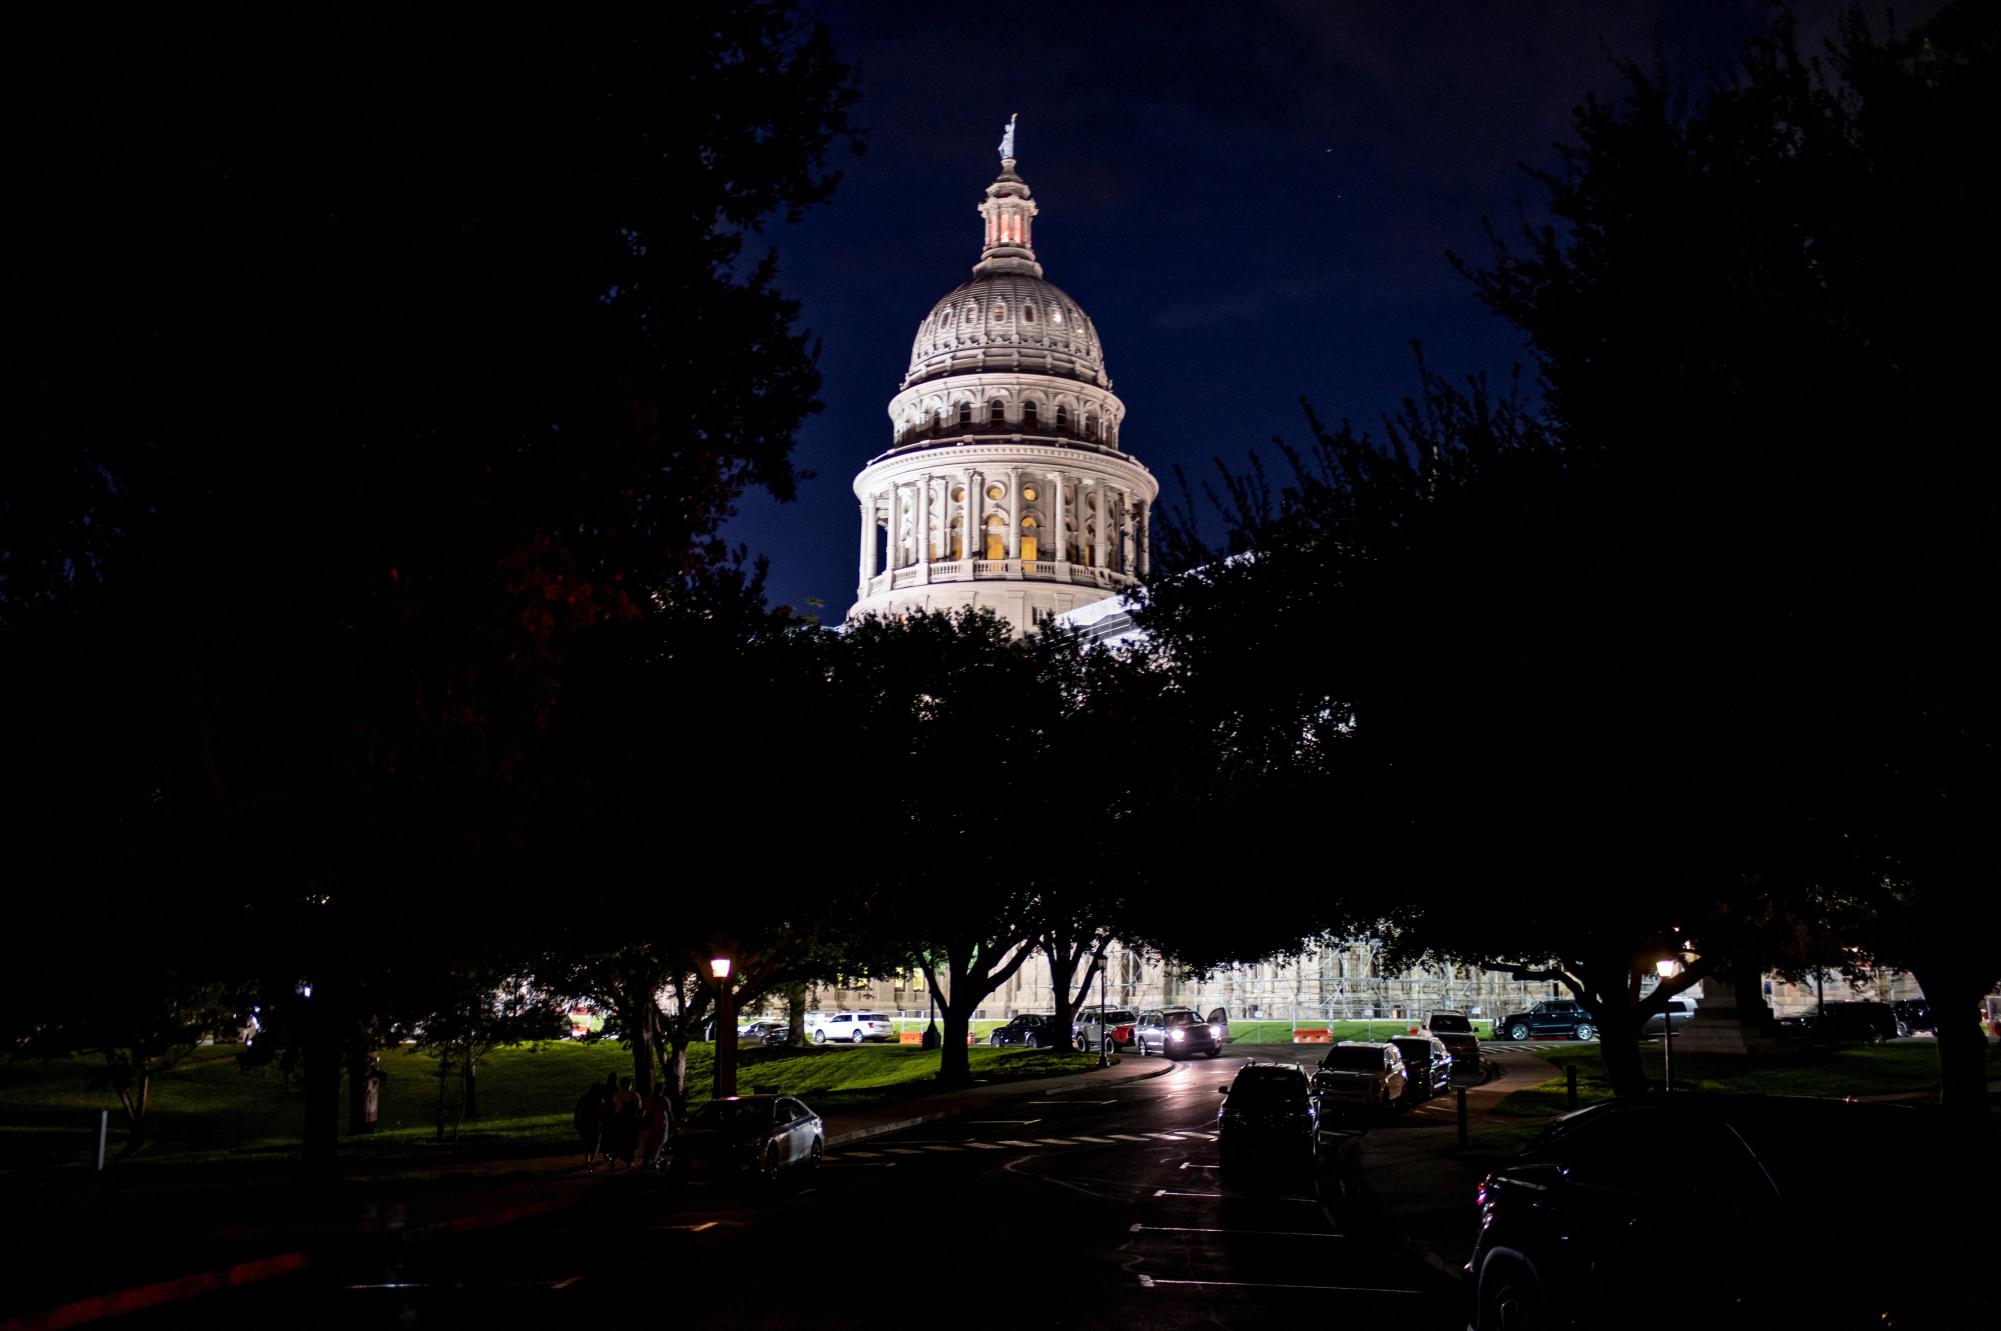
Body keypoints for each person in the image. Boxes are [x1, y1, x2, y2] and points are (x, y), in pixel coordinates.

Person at [573, 1076, 611, 1172]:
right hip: (595, 1124)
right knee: (596, 1143)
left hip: (584, 1124)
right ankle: (591, 1162)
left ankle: (587, 1161)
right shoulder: (599, 1099)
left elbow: (578, 1111)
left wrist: (577, 1122)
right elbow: (601, 1112)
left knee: (586, 1144)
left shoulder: (584, 1098)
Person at [636, 1087, 673, 1171]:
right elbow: (669, 1113)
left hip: (650, 1124)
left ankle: (647, 1161)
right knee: (660, 1143)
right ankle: (654, 1161)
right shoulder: (664, 1100)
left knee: (649, 1143)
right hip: (661, 1124)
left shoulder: (648, 1099)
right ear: (662, 1090)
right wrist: (672, 1125)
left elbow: (643, 1109)